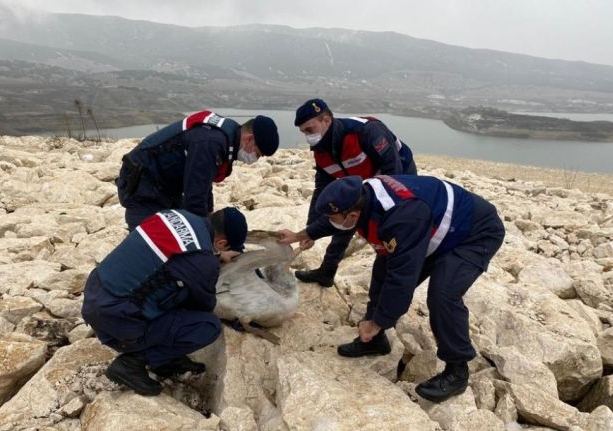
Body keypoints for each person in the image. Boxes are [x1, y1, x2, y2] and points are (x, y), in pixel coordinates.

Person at [278, 175, 504, 402]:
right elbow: (336, 219)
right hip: (434, 227)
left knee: (442, 294)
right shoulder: (360, 198)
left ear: (353, 216)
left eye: (334, 216)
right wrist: (302, 235)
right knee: (381, 274)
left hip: (474, 232)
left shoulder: (401, 216)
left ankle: (457, 370)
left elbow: (402, 277)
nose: (331, 220)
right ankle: (375, 342)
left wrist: (378, 321)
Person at [81, 206, 248, 396]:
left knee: (170, 287)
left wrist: (214, 257)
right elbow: (204, 306)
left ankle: (165, 360)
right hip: (116, 318)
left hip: (96, 294)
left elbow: (179, 256)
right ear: (222, 243)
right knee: (206, 325)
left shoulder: (175, 215)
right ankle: (132, 363)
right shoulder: (203, 263)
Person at [292, 98, 417, 288]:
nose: (308, 136)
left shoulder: (366, 131)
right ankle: (327, 271)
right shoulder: (321, 151)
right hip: (361, 183)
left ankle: (390, 285)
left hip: (399, 177)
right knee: (344, 217)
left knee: (386, 228)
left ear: (326, 120)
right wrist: (310, 231)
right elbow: (323, 191)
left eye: (310, 129)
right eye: (303, 132)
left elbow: (394, 170)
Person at [117, 111, 279, 230]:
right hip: (144, 184)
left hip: (167, 183)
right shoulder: (210, 142)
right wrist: (207, 236)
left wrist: (208, 215)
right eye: (257, 154)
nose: (254, 159)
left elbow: (204, 180)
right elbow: (195, 196)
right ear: (249, 139)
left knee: (181, 229)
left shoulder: (226, 136)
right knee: (150, 241)